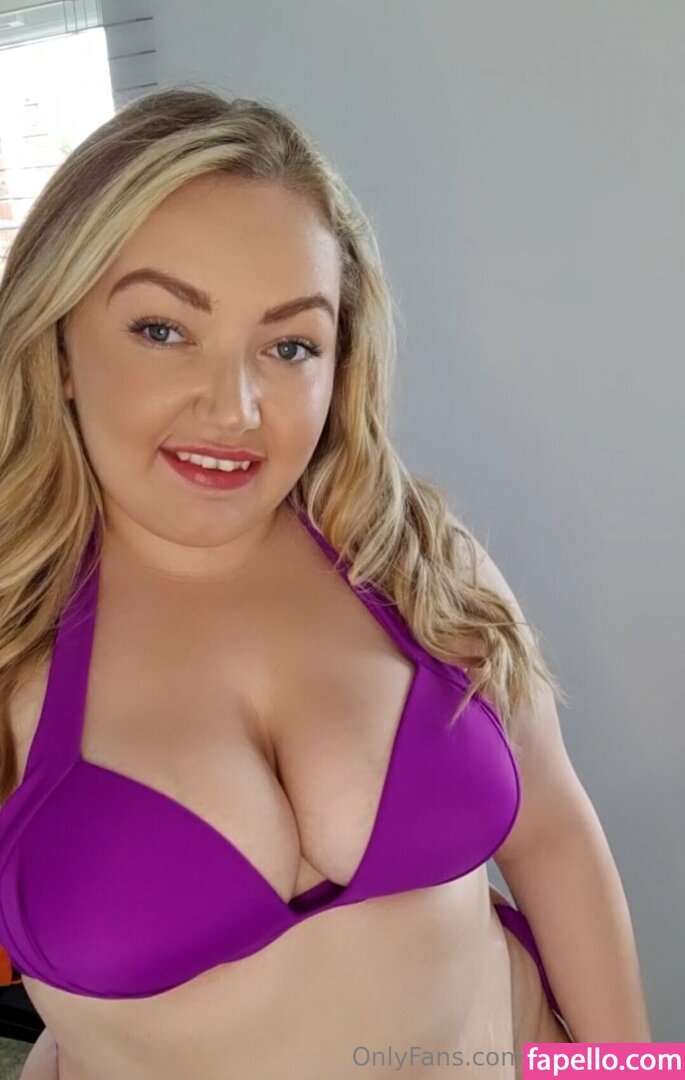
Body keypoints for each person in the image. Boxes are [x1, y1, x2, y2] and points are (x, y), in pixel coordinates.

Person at [0, 87, 651, 1080]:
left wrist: (630, 1074)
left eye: (288, 345)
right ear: (60, 347)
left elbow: (553, 838)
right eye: (162, 330)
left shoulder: (412, 556)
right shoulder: (14, 632)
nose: (235, 407)